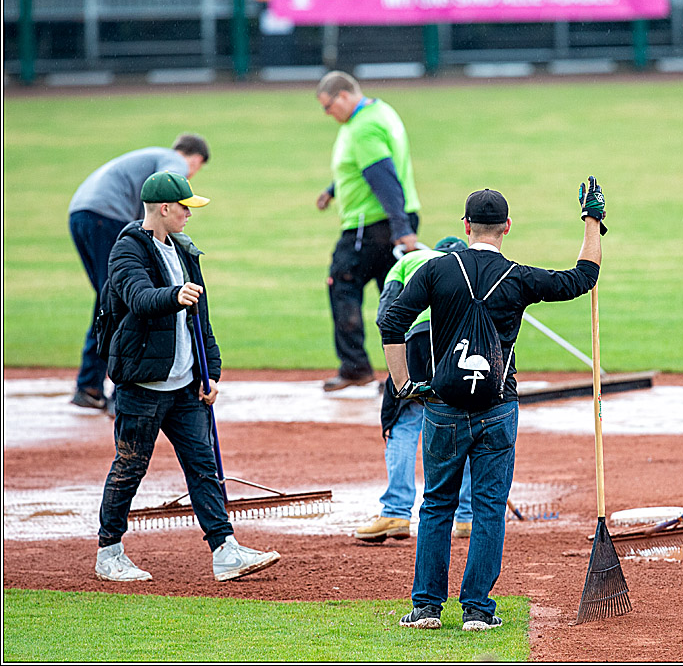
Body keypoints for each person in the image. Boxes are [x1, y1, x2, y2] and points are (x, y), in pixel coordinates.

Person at [379, 178, 605, 631]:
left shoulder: (435, 270)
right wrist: (592, 221)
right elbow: (582, 278)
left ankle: (426, 607)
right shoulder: (519, 277)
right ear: (506, 227)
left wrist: (404, 384)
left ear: (465, 225)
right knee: (487, 507)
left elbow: (392, 320)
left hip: (442, 408)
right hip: (498, 409)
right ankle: (478, 611)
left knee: (436, 505)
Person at [95, 171, 281, 583]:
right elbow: (140, 299)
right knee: (130, 467)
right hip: (141, 386)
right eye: (184, 208)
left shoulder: (183, 251)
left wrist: (209, 373)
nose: (188, 216)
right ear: (164, 208)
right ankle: (109, 552)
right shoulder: (127, 251)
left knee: (204, 465)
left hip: (184, 387)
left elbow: (203, 320)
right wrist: (174, 295)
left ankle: (224, 549)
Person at [68, 134, 210, 413]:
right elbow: (162, 199)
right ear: (194, 158)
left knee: (108, 297)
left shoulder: (151, 154)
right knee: (119, 302)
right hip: (106, 216)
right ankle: (120, 390)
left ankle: (90, 385)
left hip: (81, 214)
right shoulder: (174, 162)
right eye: (197, 168)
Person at [356, 237, 474, 544]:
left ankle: (396, 512)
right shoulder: (473, 266)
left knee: (406, 422)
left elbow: (387, 317)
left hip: (417, 343)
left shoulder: (409, 261)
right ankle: (467, 517)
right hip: (461, 348)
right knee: (470, 423)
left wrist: (399, 365)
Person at [315, 70, 422, 393]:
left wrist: (401, 229)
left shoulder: (362, 128)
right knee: (397, 296)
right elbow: (363, 167)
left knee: (342, 285)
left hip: (371, 227)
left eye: (328, 106)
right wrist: (334, 189)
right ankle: (406, 372)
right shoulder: (380, 111)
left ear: (344, 96)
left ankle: (355, 367)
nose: (327, 113)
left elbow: (383, 176)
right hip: (390, 222)